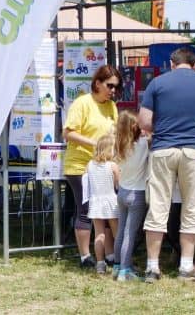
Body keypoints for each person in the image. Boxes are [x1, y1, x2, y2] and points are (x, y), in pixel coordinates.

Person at [138, 47, 195, 283]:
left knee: (158, 207)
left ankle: (152, 267)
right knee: (193, 207)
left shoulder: (156, 84)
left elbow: (145, 122)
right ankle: (186, 266)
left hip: (163, 150)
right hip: (194, 152)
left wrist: (165, 129)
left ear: (172, 64)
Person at [63, 64, 121, 268]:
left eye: (116, 87)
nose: (113, 90)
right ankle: (85, 257)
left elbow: (115, 133)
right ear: (97, 83)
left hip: (103, 167)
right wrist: (95, 144)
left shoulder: (111, 106)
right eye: (110, 86)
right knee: (87, 210)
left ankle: (109, 256)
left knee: (105, 211)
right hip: (81, 166)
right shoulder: (82, 103)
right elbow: (68, 133)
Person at [112, 111, 150, 281]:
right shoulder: (143, 144)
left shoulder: (118, 145)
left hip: (122, 192)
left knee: (121, 231)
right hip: (137, 193)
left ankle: (117, 265)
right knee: (130, 233)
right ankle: (125, 270)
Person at [86, 133, 120, 275]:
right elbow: (118, 184)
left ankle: (100, 263)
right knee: (117, 233)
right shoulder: (112, 165)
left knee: (99, 234)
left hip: (95, 201)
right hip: (110, 201)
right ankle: (119, 261)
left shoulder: (89, 165)